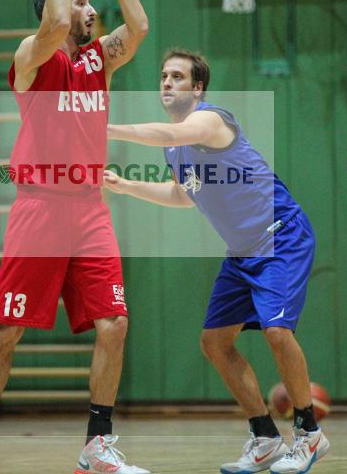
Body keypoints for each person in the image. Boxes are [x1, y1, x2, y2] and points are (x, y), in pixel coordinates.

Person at [0, 0, 149, 474]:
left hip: (89, 210)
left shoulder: (98, 63)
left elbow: (138, 28)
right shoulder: (31, 58)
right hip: (39, 210)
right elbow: (57, 23)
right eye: (82, 0)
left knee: (115, 323)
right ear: (56, 11)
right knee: (7, 333)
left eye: (89, 2)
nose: (90, 11)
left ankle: (97, 444)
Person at [102, 49, 329, 474]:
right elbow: (183, 196)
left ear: (198, 88)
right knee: (214, 342)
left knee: (277, 332)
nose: (167, 83)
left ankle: (309, 434)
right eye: (163, 76)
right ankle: (264, 436)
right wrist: (124, 185)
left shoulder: (210, 119)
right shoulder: (177, 150)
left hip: (280, 236)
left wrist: (104, 126)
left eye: (177, 77)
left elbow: (167, 136)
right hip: (242, 253)